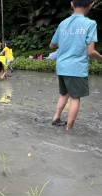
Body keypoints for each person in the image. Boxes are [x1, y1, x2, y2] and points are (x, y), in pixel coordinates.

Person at [49, 0, 102, 130]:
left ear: (72, 4)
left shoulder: (63, 23)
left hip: (61, 66)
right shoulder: (90, 24)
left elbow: (52, 45)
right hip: (76, 67)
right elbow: (90, 52)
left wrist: (65, 40)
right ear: (91, 5)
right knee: (75, 97)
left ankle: (56, 118)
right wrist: (101, 58)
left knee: (64, 93)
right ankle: (69, 129)